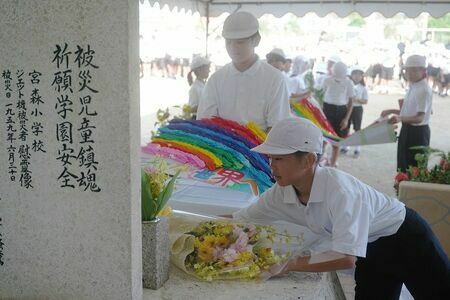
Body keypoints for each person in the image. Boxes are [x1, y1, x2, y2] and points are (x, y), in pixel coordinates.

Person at [233, 117, 450, 300]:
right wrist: (206, 231)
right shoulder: (281, 191)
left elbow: (346, 257)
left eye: (279, 159)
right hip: (369, 248)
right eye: (270, 158)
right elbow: (241, 219)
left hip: (408, 239)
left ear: (308, 160)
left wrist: (289, 264)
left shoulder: (341, 191)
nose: (272, 166)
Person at [197, 11, 291, 132]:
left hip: (261, 148)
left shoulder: (274, 79)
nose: (233, 47)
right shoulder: (216, 79)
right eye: (228, 42)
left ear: (256, 40)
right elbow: (205, 123)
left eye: (240, 42)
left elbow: (277, 127)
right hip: (221, 147)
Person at [381, 55, 432, 172]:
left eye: (414, 70)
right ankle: (402, 189)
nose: (410, 73)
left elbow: (419, 117)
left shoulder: (423, 89)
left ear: (423, 71)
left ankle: (412, 190)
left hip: (418, 133)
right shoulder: (414, 86)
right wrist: (391, 111)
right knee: (403, 166)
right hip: (407, 130)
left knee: (415, 169)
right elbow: (408, 111)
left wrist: (399, 118)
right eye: (407, 70)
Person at [322, 61, 354, 167]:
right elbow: (320, 96)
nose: (338, 72)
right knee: (323, 139)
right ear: (333, 70)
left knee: (337, 141)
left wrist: (346, 119)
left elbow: (351, 102)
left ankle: (332, 165)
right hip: (327, 110)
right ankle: (320, 162)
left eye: (341, 70)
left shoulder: (348, 83)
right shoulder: (327, 80)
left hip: (341, 112)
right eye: (337, 70)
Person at [345, 66, 368, 158]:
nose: (357, 76)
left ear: (362, 76)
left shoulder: (363, 88)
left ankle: (357, 148)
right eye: (355, 74)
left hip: (357, 109)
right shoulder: (348, 84)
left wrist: (356, 99)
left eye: (359, 75)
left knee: (357, 129)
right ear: (351, 75)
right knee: (346, 127)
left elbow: (365, 101)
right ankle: (346, 146)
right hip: (347, 108)